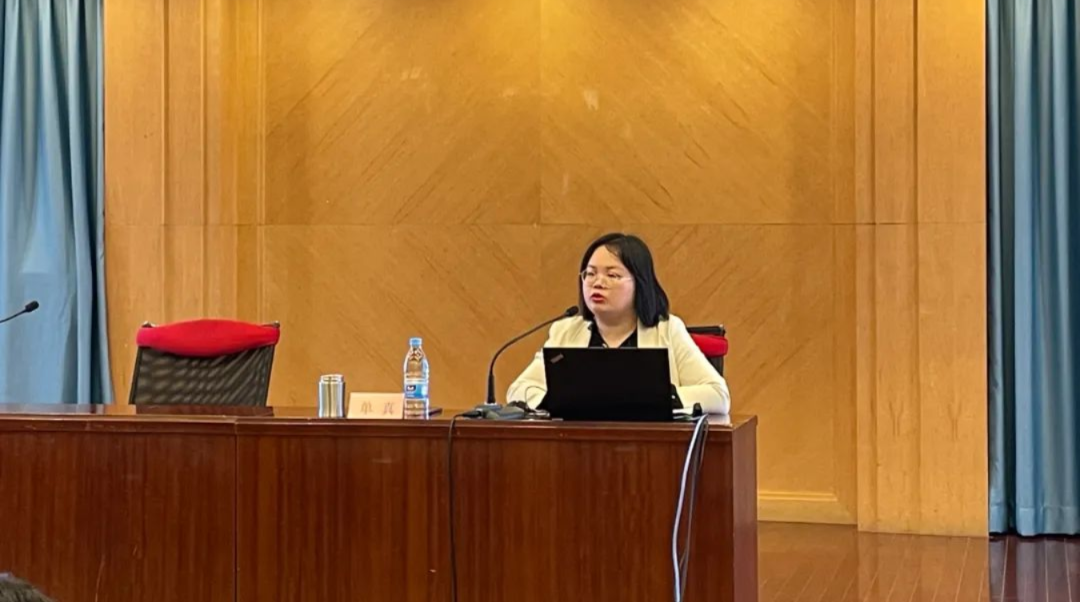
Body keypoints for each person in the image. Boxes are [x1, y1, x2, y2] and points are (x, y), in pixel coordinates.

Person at [507, 233, 731, 414]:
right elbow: (518, 390)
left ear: (640, 283)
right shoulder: (566, 331)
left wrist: (658, 398)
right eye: (590, 274)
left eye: (612, 275)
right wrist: (555, 400)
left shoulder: (667, 330)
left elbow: (718, 395)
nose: (597, 283)